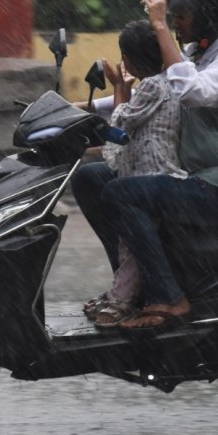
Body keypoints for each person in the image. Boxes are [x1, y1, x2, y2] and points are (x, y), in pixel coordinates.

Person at [73, 0, 218, 330]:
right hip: (189, 174)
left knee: (122, 193)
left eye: (182, 16)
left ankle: (168, 297)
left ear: (206, 14)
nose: (175, 24)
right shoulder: (194, 53)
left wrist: (157, 28)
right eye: (171, 17)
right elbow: (153, 91)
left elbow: (190, 90)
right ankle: (128, 286)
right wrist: (75, 110)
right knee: (91, 179)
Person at [89, 19, 187, 327]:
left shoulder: (155, 86)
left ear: (128, 59)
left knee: (129, 245)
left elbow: (122, 120)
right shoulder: (164, 83)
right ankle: (122, 294)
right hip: (145, 171)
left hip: (153, 175)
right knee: (126, 242)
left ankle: (122, 300)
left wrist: (120, 86)